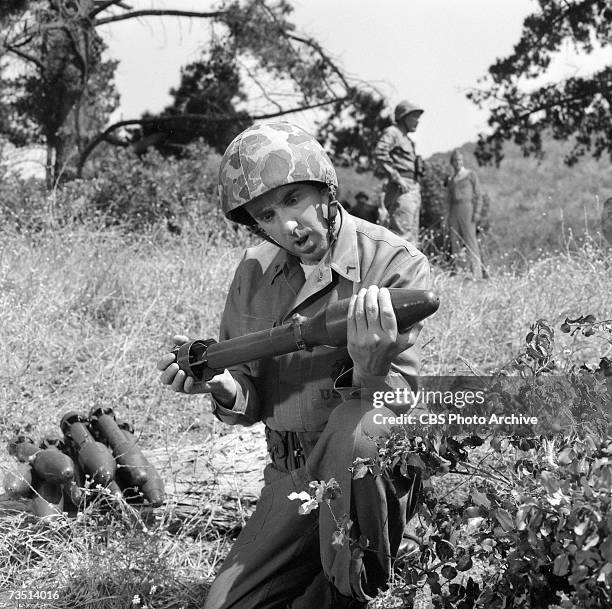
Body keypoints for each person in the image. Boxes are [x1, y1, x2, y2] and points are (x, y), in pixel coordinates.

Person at [157, 122, 431, 609]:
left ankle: (355, 586)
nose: (287, 225)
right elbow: (247, 396)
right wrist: (222, 384)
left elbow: (394, 406)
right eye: (267, 214)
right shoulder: (254, 270)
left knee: (359, 428)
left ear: (325, 188)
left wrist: (370, 367)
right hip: (291, 474)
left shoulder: (392, 262)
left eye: (294, 199)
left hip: (360, 471)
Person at [374, 99, 424, 245]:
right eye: (414, 116)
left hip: (412, 188)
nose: (417, 121)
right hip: (402, 189)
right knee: (402, 236)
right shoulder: (393, 132)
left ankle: (409, 268)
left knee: (412, 237)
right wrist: (397, 178)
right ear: (403, 117)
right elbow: (380, 152)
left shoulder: (407, 139)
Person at [445, 150, 484, 279]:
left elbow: (478, 195)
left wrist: (477, 211)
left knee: (470, 240)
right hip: (454, 209)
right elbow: (448, 199)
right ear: (452, 163)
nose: (457, 163)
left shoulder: (470, 174)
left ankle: (476, 273)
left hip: (467, 207)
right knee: (454, 240)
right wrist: (447, 216)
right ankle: (458, 271)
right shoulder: (451, 179)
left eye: (459, 160)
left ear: (462, 161)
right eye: (455, 161)